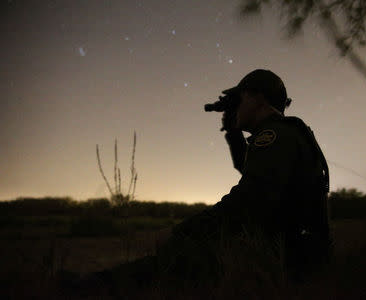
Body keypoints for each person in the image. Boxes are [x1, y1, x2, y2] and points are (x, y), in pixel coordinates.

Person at [66, 69, 330, 295]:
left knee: (177, 261)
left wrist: (182, 231)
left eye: (240, 99)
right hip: (298, 253)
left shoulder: (275, 136)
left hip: (288, 261)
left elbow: (246, 203)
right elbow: (252, 171)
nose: (235, 106)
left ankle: (87, 288)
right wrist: (232, 130)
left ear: (258, 98)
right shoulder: (286, 135)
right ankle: (91, 284)